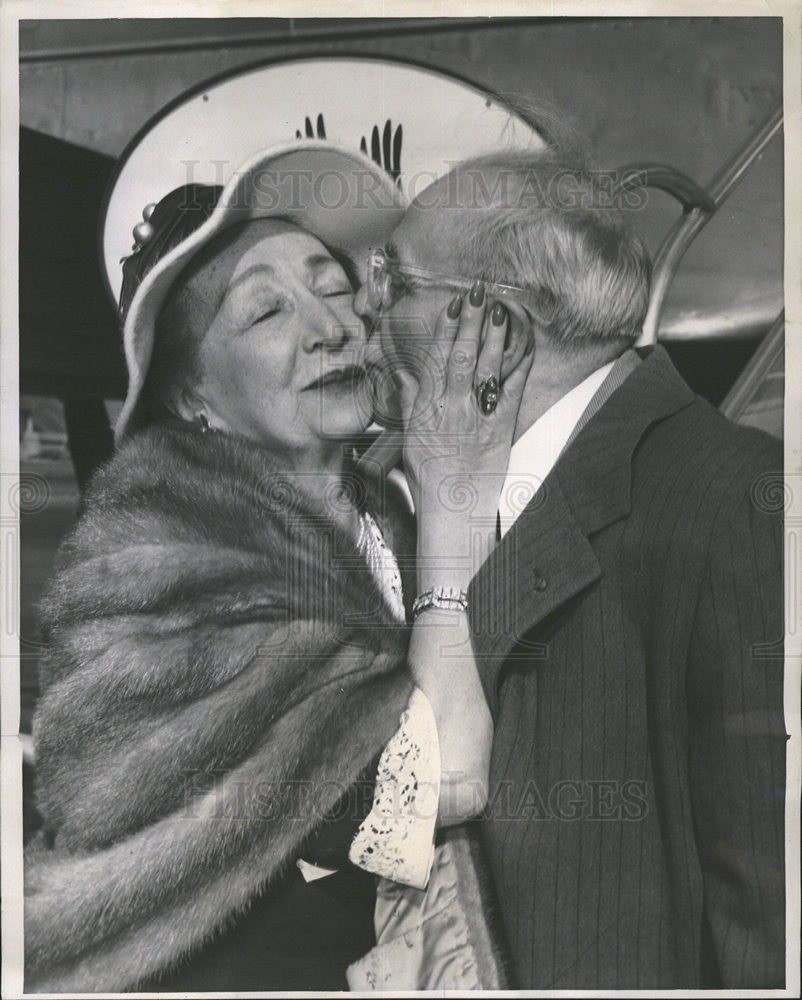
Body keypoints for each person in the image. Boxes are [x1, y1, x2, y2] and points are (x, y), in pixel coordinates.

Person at [23, 143, 532, 992]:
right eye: (266, 314)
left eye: (333, 289)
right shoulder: (148, 554)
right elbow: (424, 796)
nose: (330, 327)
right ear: (192, 399)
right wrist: (455, 499)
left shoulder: (386, 514)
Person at [357, 146, 786, 989]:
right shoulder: (396, 484)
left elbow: (770, 902)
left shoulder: (733, 499)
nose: (363, 314)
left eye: (394, 283)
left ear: (498, 327)